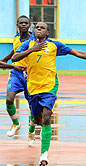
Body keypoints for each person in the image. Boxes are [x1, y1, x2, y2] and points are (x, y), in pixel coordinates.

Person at [11, 22, 86, 166]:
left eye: (42, 28)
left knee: (47, 117)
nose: (38, 29)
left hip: (49, 85)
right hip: (32, 86)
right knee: (37, 117)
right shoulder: (28, 44)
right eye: (37, 27)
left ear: (47, 33)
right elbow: (14, 57)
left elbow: (77, 52)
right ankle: (33, 126)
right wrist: (32, 50)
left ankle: (44, 154)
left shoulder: (54, 45)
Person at [0, 15, 37, 146]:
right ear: (17, 24)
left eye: (25, 23)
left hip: (30, 74)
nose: (23, 25)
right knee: (9, 99)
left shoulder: (34, 39)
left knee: (32, 105)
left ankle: (31, 132)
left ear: (29, 25)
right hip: (16, 73)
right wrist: (6, 59)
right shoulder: (16, 38)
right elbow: (15, 50)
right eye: (20, 23)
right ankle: (16, 124)